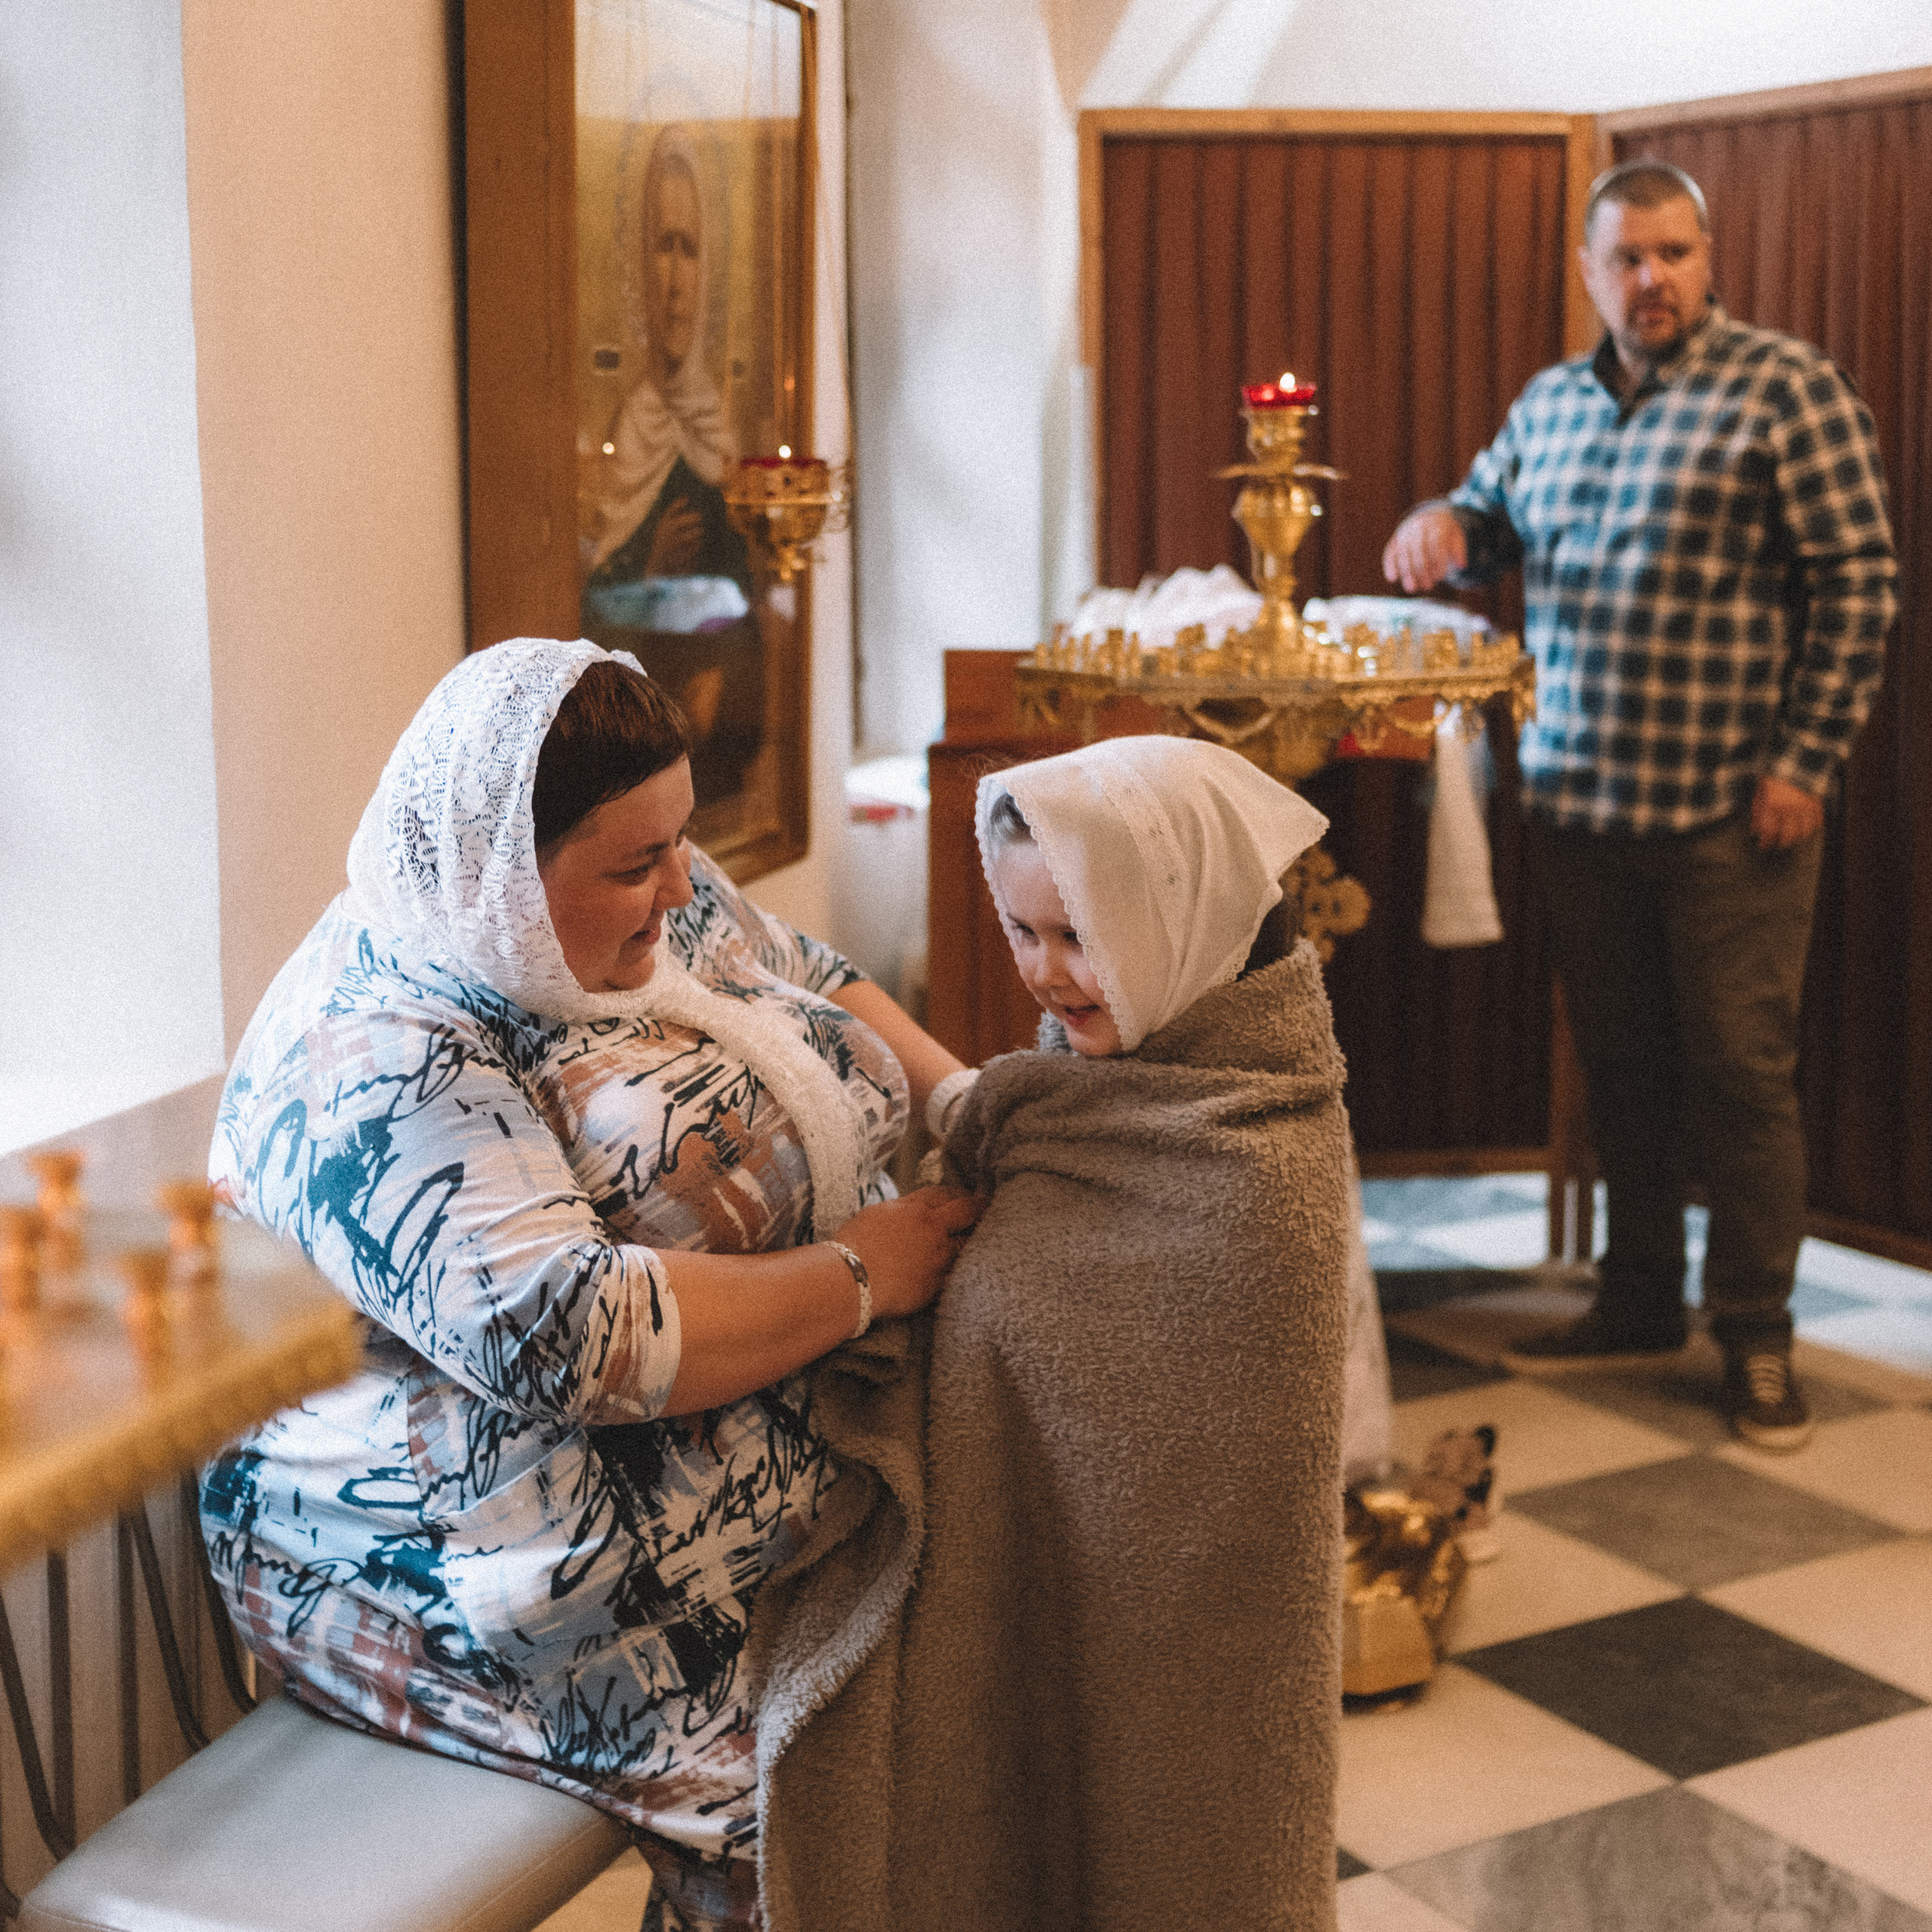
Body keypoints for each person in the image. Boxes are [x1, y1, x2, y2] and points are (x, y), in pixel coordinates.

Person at [201, 639, 977, 1932]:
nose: (681, 884)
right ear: (502, 870)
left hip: (705, 1493)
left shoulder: (650, 882)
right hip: (455, 1562)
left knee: (957, 1716)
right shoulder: (377, 1048)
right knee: (823, 1807)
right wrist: (859, 1278)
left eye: (682, 843)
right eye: (635, 865)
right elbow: (577, 1334)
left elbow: (803, 967)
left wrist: (971, 1101)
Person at [749, 737, 1352, 1930]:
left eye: (1080, 937)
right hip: (1019, 1622)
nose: (1045, 975)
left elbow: (1208, 1496)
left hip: (1185, 1669)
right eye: (1023, 933)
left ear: (1183, 926)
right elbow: (975, 1109)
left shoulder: (1253, 1156)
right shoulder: (1078, 1095)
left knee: (1169, 1856)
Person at [1382, 158, 1897, 1450]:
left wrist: (1806, 762)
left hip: (1736, 811)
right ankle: (1638, 1299)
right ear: (1590, 270)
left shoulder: (1786, 387)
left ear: (1707, 258)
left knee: (1739, 1075)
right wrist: (1445, 521)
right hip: (1579, 804)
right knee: (1625, 1072)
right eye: (1626, 258)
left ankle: (1760, 1341)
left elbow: (1861, 582)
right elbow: (1489, 521)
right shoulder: (1551, 403)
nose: (1650, 279)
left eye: (1672, 254)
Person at [581, 125, 761, 806]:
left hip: (713, 734)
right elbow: (583, 607)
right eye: (663, 246)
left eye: (691, 249)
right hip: (629, 744)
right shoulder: (625, 430)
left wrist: (722, 673)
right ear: (635, 264)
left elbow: (751, 592)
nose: (678, 277)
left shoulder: (718, 428)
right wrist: (650, 570)